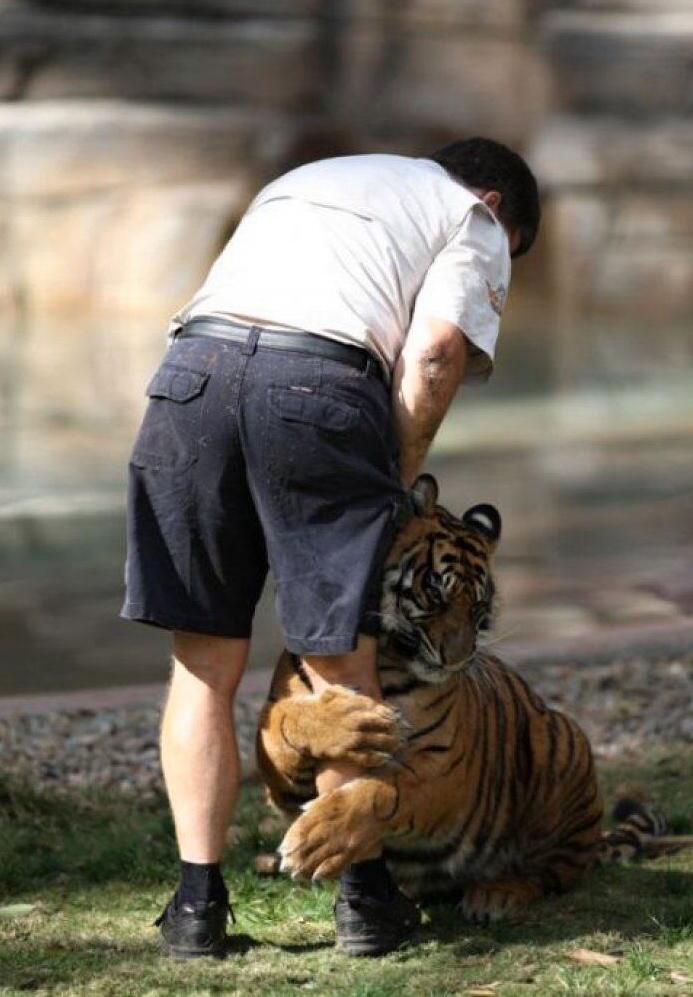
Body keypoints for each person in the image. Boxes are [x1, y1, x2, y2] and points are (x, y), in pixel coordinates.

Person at [121, 137, 540, 959]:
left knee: (202, 666)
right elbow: (435, 351)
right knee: (344, 663)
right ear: (496, 204)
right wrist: (399, 484)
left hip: (187, 378)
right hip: (314, 386)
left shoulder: (307, 179)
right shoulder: (473, 217)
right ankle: (364, 901)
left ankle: (196, 907)